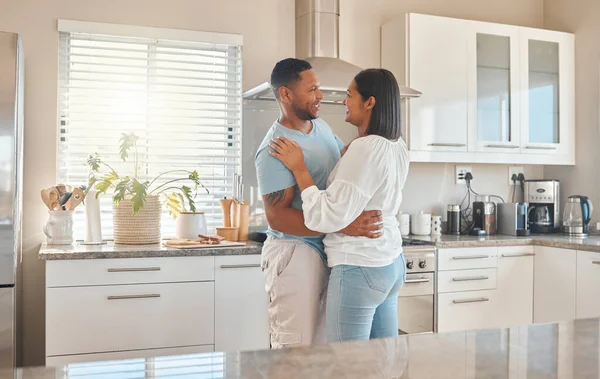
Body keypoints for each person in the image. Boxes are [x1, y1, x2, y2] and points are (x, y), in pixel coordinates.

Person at [268, 68, 410, 342]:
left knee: (347, 365)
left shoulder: (365, 148)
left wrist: (299, 169)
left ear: (370, 102)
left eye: (349, 95)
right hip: (391, 263)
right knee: (382, 362)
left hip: (359, 267)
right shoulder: (396, 145)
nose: (343, 101)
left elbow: (324, 216)